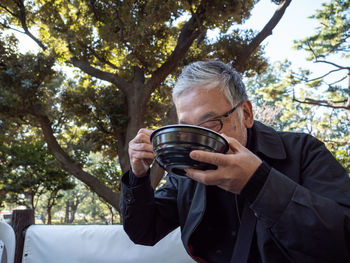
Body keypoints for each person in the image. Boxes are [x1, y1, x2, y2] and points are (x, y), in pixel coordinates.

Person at [120, 60, 350, 263]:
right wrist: (137, 177)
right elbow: (144, 232)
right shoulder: (188, 171)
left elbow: (342, 244)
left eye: (210, 124)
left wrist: (258, 182)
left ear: (246, 114)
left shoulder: (303, 152)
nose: (198, 138)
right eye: (188, 127)